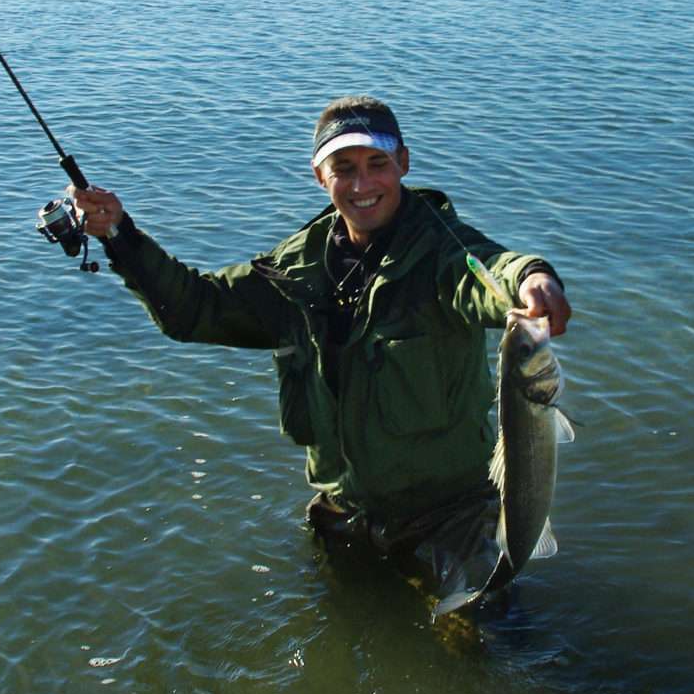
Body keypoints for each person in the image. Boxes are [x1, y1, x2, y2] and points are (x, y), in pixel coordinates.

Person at [72, 95, 571, 609]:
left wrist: (532, 278)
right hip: (344, 512)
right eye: (343, 169)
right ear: (320, 176)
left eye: (377, 164)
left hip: (453, 516)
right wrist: (119, 235)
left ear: (403, 162)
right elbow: (194, 310)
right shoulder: (294, 273)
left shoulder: (443, 254)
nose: (362, 185)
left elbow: (491, 272)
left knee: (489, 639)